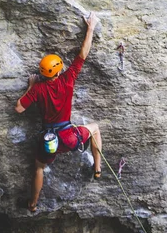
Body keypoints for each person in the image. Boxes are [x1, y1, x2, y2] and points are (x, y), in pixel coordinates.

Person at [15, 12, 102, 212]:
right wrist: (90, 27)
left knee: (39, 168)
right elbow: (82, 55)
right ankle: (97, 169)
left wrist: (31, 87)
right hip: (70, 137)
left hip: (49, 142)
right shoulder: (67, 79)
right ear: (58, 71)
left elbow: (19, 108)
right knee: (95, 129)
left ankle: (33, 204)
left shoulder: (38, 89)